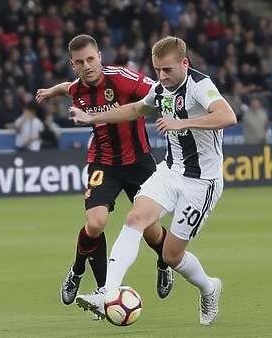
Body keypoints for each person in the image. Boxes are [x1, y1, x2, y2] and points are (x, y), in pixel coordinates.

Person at [70, 36, 237, 326]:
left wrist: (182, 122)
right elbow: (135, 109)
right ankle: (107, 292)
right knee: (135, 218)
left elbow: (228, 116)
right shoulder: (161, 89)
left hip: (201, 183)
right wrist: (92, 119)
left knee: (172, 256)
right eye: (157, 70)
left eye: (168, 70)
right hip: (170, 172)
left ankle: (209, 287)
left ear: (184, 63)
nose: (161, 76)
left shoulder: (201, 86)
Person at [36, 34, 173, 308]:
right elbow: (68, 87)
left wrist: (172, 114)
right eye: (79, 62)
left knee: (151, 231)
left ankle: (164, 263)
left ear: (99, 55)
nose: (87, 65)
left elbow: (158, 90)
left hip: (139, 162)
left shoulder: (122, 78)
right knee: (96, 222)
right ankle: (89, 280)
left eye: (90, 58)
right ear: (73, 65)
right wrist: (52, 91)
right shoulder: (78, 88)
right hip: (103, 161)